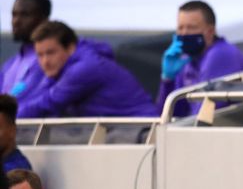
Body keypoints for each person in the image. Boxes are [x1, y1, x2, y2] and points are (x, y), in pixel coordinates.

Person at [16, 21, 157, 118]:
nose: (45, 61)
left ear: (70, 48)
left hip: (141, 129)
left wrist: (9, 116)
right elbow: (37, 96)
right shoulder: (63, 66)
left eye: (51, 52)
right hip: (120, 128)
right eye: (40, 55)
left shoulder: (84, 69)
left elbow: (49, 103)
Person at [157, 0, 243, 117]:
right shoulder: (187, 61)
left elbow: (205, 114)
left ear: (210, 31)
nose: (184, 33)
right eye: (180, 28)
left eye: (191, 27)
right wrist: (168, 80)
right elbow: (169, 115)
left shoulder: (221, 54)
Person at [1, 0, 50, 98]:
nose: (16, 21)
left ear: (44, 20)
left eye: (25, 15)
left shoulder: (49, 62)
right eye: (14, 15)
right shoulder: (9, 65)